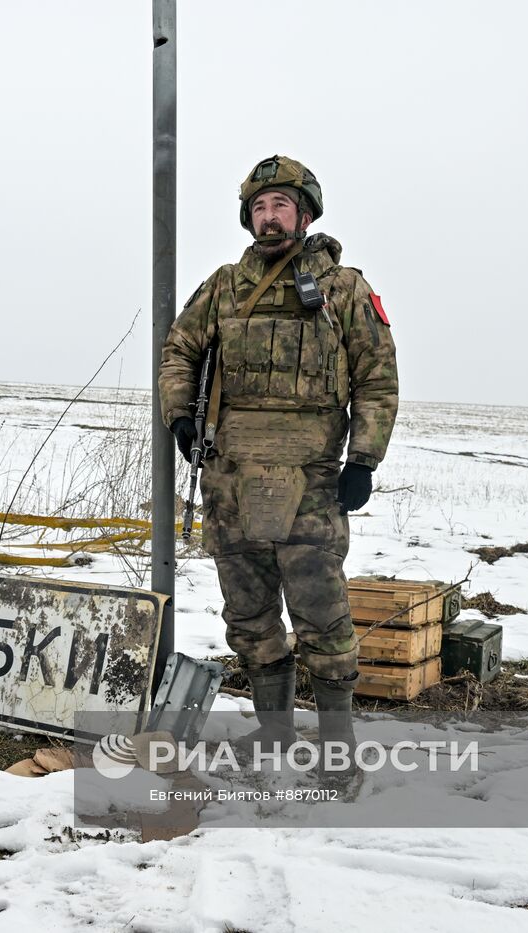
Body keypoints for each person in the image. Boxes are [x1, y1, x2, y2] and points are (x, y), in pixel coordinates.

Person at [158, 155, 398, 782]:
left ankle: (338, 757)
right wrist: (180, 418)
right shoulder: (223, 286)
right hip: (231, 480)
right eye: (259, 207)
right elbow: (179, 350)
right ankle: (275, 744)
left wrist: (363, 459)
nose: (269, 217)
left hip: (313, 485)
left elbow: (377, 377)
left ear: (306, 211)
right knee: (250, 619)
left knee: (323, 619)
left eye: (281, 205)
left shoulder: (343, 289)